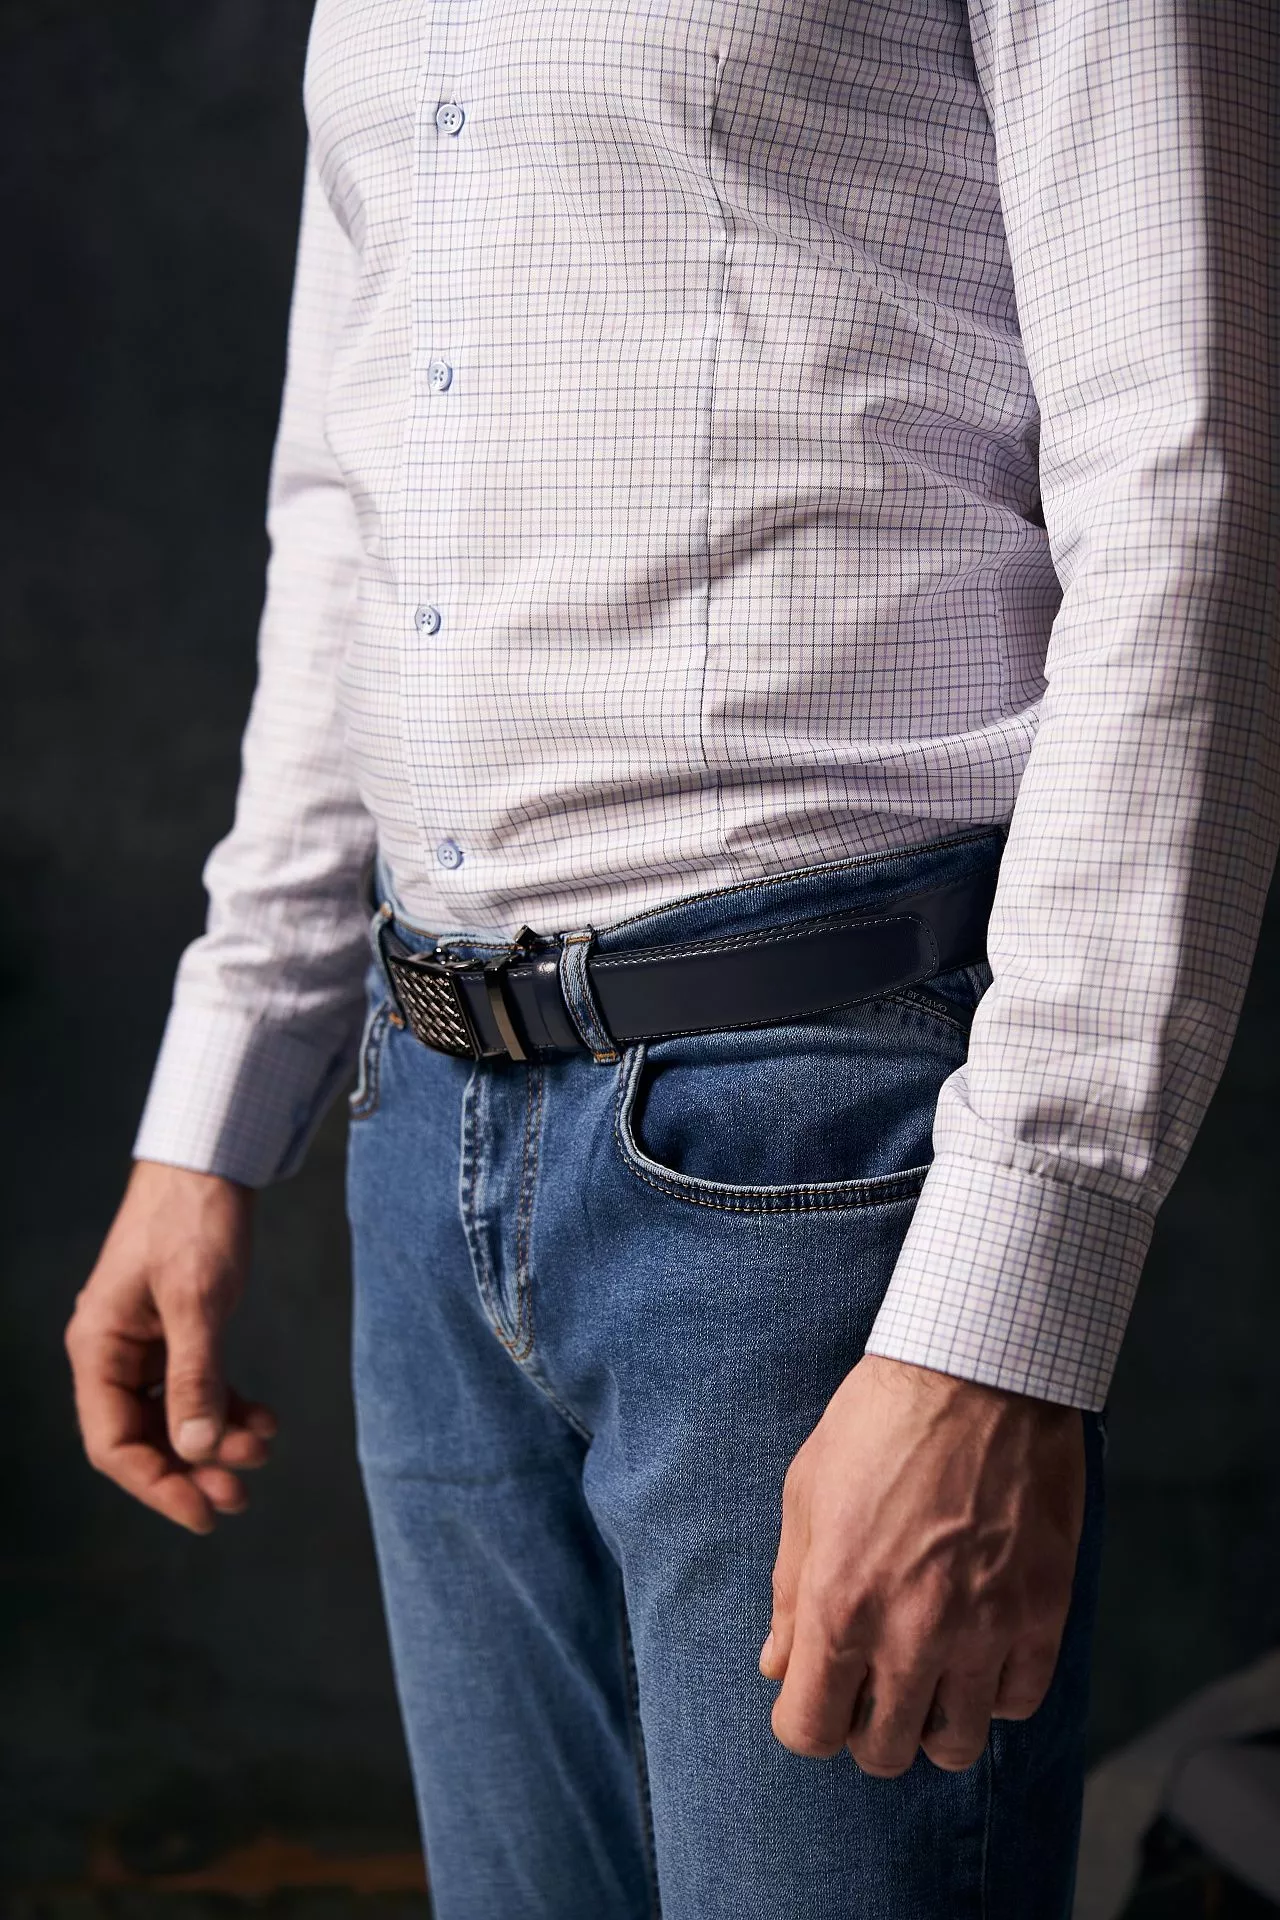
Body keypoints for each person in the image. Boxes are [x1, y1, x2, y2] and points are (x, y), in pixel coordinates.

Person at [65, 1, 1275, 1914]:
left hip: (820, 1143)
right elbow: (348, 511)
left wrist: (994, 1334)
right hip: (420, 1121)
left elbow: (1188, 504)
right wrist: (212, 1109)